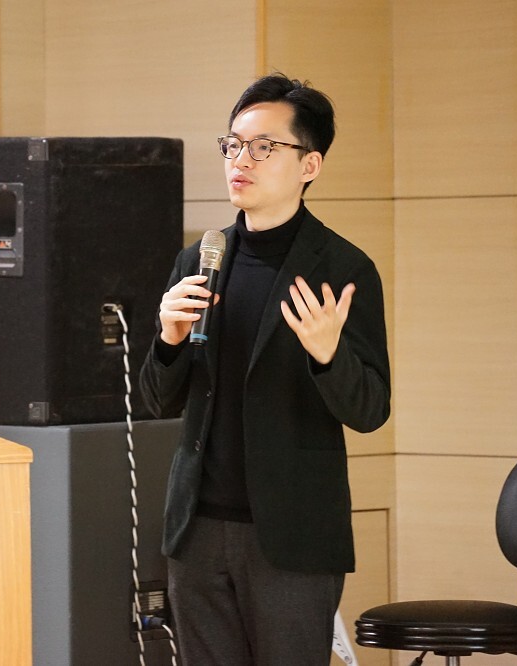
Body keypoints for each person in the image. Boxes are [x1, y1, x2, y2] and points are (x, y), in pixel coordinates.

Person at [139, 73, 391, 665]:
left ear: (310, 164)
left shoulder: (343, 269)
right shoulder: (199, 260)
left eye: (263, 147)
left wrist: (329, 355)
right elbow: (157, 401)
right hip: (197, 531)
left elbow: (371, 410)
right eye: (232, 145)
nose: (241, 160)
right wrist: (169, 340)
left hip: (292, 537)